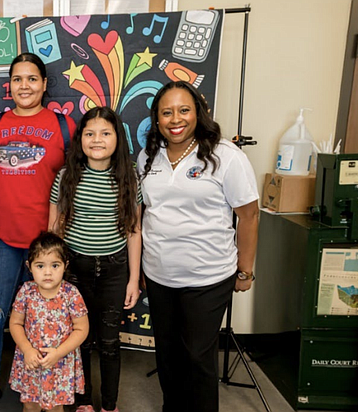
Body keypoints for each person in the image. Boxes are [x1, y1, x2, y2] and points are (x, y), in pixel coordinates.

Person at [137, 80, 259, 412]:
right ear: (157, 119)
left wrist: (245, 272)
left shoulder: (225, 156)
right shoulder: (148, 155)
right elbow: (145, 212)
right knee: (167, 355)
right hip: (160, 276)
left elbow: (248, 216)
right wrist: (142, 270)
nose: (176, 119)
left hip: (208, 276)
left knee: (197, 357)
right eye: (167, 112)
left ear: (198, 113)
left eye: (184, 110)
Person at [0, 53, 77, 412]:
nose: (25, 86)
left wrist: (57, 238)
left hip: (46, 245)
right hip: (1, 236)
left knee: (49, 319)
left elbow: (70, 187)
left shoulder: (63, 127)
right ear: (9, 85)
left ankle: (46, 387)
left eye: (32, 79)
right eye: (18, 79)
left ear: (45, 84)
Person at [49, 107, 142, 412]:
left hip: (114, 270)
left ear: (118, 138)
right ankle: (83, 400)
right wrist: (56, 277)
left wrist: (132, 279)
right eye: (89, 133)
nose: (97, 140)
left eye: (105, 133)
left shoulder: (128, 176)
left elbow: (133, 230)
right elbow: (56, 230)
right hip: (75, 269)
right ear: (80, 139)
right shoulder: (67, 176)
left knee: (110, 342)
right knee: (80, 339)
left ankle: (110, 404)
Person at [9, 232, 89, 412]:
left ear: (65, 266)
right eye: (40, 265)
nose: (47, 272)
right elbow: (15, 323)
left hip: (60, 362)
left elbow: (82, 329)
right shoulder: (26, 292)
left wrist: (59, 353)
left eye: (55, 265)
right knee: (30, 406)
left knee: (55, 407)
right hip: (31, 361)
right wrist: (27, 349)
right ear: (29, 266)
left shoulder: (71, 294)